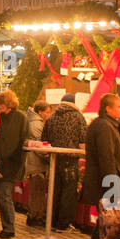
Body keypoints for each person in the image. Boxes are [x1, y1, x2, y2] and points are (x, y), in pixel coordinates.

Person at [77, 93, 120, 239]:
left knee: (104, 224)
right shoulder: (105, 127)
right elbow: (107, 158)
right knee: (110, 225)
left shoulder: (104, 125)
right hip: (107, 184)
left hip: (104, 183)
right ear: (108, 108)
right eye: (119, 106)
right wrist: (113, 186)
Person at [39, 94, 87, 231]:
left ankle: (52, 222)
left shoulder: (52, 117)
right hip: (71, 159)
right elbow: (83, 140)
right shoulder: (78, 117)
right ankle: (63, 224)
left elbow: (44, 139)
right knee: (69, 192)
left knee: (55, 190)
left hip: (54, 159)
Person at [0, 90, 27, 239]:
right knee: (0, 195)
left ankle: (9, 228)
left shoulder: (20, 118)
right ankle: (7, 226)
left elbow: (23, 140)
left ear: (8, 103)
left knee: (4, 195)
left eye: (0, 104)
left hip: (11, 164)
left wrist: (18, 162)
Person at [23, 100, 53, 226]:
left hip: (33, 161)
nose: (48, 115)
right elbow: (40, 146)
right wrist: (50, 157)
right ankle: (35, 217)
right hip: (36, 163)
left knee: (36, 190)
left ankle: (34, 215)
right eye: (47, 112)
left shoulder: (32, 122)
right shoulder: (37, 125)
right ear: (40, 112)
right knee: (37, 190)